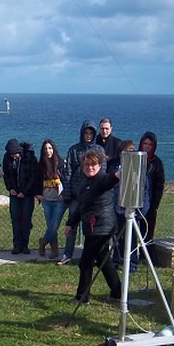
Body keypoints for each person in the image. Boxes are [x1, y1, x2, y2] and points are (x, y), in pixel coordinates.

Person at [64, 150, 122, 305]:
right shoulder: (85, 183)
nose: (90, 167)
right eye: (87, 164)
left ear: (100, 165)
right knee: (104, 261)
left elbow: (110, 180)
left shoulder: (101, 179)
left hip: (101, 228)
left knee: (86, 263)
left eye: (93, 164)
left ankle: (82, 298)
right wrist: (70, 223)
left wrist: (118, 175)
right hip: (92, 227)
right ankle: (118, 293)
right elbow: (81, 206)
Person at [58, 120, 105, 266]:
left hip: (93, 196)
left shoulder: (99, 150)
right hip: (76, 195)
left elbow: (103, 172)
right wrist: (68, 192)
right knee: (71, 226)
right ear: (82, 133)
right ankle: (67, 254)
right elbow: (67, 173)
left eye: (91, 133)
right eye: (86, 132)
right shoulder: (74, 150)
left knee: (92, 228)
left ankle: (93, 255)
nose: (88, 135)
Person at [3, 138, 37, 255]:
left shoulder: (30, 158)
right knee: (15, 219)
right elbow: (6, 175)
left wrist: (25, 192)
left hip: (27, 194)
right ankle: (17, 244)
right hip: (14, 193)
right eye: (11, 154)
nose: (14, 156)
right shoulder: (7, 158)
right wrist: (10, 188)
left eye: (15, 154)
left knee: (26, 220)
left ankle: (25, 245)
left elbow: (34, 177)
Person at [109, 140, 140, 270]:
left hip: (132, 208)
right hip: (116, 208)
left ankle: (131, 261)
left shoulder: (138, 168)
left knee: (131, 236)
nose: (130, 153)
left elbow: (144, 188)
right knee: (115, 235)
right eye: (127, 150)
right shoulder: (114, 168)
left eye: (132, 150)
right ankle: (115, 259)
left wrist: (142, 209)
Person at [35, 139, 67, 259]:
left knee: (54, 225)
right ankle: (54, 250)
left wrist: (63, 193)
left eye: (50, 148)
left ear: (53, 149)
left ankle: (43, 242)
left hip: (59, 200)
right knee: (50, 225)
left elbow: (66, 179)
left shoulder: (61, 163)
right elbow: (36, 181)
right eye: (45, 149)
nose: (48, 151)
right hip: (46, 200)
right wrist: (38, 194)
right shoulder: (41, 165)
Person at [138, 131, 166, 244]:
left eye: (150, 144)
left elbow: (160, 185)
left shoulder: (157, 163)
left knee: (147, 231)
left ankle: (146, 254)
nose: (147, 147)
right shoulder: (136, 157)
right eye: (145, 143)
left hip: (149, 203)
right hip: (135, 200)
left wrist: (154, 205)